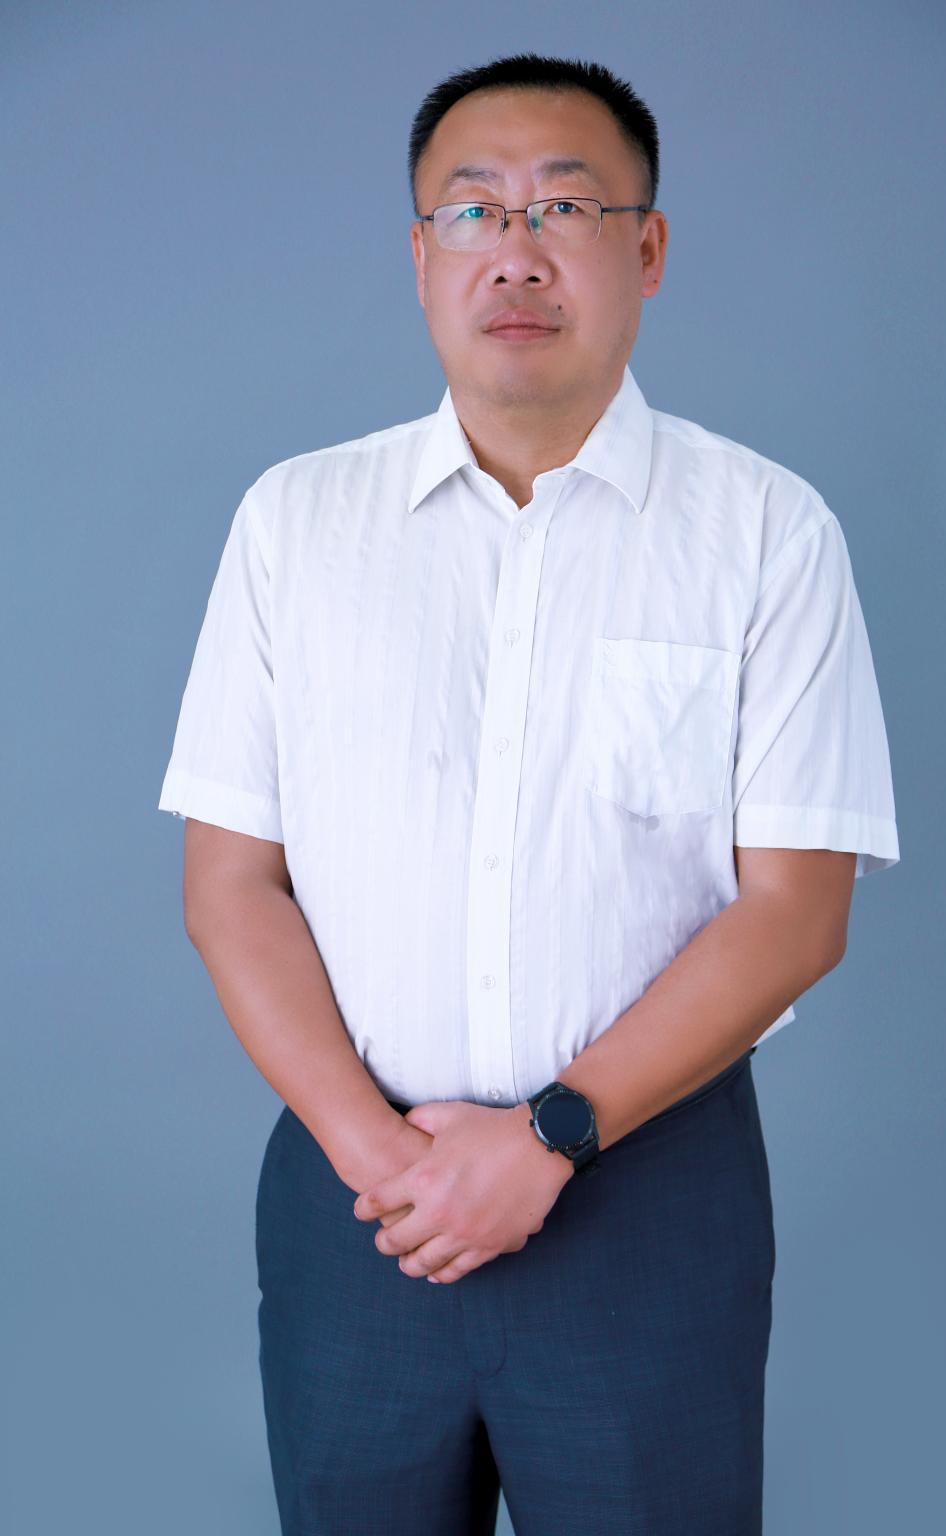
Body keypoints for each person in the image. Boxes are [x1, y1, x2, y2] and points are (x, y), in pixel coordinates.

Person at [157, 51, 900, 1536]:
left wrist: (551, 1134)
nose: (516, 250)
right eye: (472, 210)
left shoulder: (767, 531)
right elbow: (231, 882)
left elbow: (796, 910)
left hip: (647, 1204)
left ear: (648, 249)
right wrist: (382, 1158)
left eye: (566, 205)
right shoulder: (296, 523)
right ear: (420, 255)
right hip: (360, 1204)